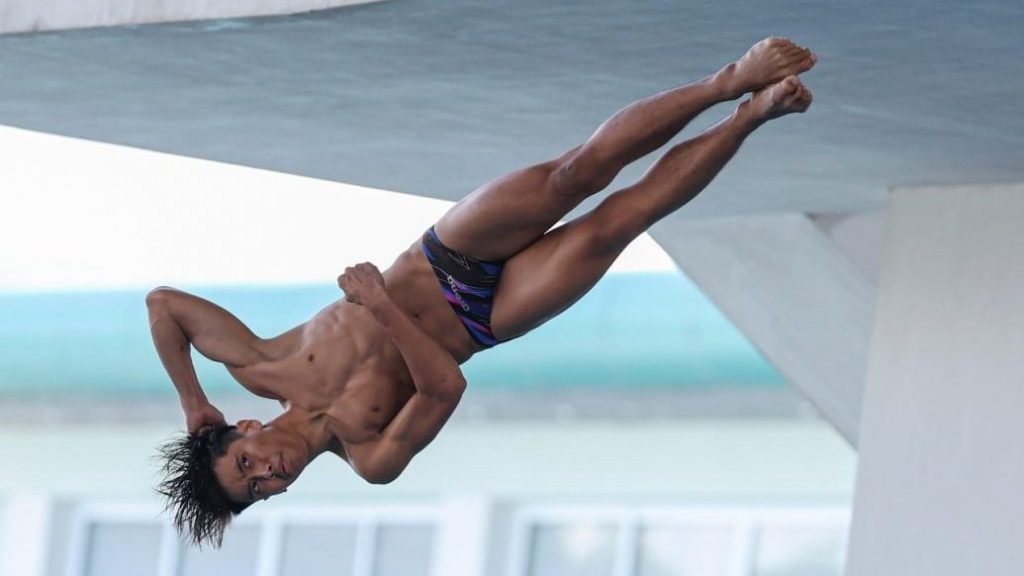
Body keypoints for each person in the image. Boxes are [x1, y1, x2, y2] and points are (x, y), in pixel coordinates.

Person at [148, 37, 816, 546]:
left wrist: (193, 400)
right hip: (483, 317)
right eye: (257, 490)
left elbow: (165, 306)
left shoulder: (263, 365)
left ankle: (728, 82)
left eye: (246, 464)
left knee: (575, 174)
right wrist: (380, 306)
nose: (268, 474)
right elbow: (445, 388)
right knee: (619, 221)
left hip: (443, 256)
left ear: (245, 429)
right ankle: (750, 118)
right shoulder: (370, 455)